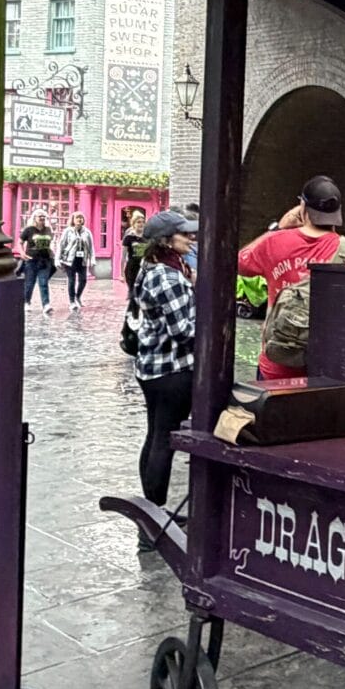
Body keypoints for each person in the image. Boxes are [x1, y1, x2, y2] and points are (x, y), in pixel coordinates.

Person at [235, 175, 345, 382]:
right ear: (338, 213)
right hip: (327, 373)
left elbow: (238, 263)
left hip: (277, 366)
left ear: (303, 207)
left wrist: (278, 228)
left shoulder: (274, 243)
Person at [122, 209, 197, 509]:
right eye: (184, 233)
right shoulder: (168, 276)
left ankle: (151, 510)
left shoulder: (151, 266)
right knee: (164, 439)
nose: (191, 237)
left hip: (151, 366)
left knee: (155, 433)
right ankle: (156, 513)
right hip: (171, 369)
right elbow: (184, 332)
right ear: (166, 240)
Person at [19, 206, 55, 311]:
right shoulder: (28, 230)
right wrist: (22, 253)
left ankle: (46, 305)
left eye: (44, 216)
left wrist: (53, 252)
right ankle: (26, 302)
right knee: (30, 283)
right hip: (31, 260)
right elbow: (20, 242)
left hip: (45, 260)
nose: (42, 218)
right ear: (34, 218)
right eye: (40, 216)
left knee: (43, 283)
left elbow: (51, 243)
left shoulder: (48, 229)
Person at [57, 210, 94, 311]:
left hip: (82, 259)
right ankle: (72, 301)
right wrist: (57, 259)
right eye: (77, 218)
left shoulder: (87, 232)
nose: (79, 219)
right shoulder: (67, 231)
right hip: (69, 259)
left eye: (81, 218)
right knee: (71, 280)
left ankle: (78, 296)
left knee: (83, 280)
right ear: (73, 220)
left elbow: (91, 247)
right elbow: (61, 245)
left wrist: (92, 259)